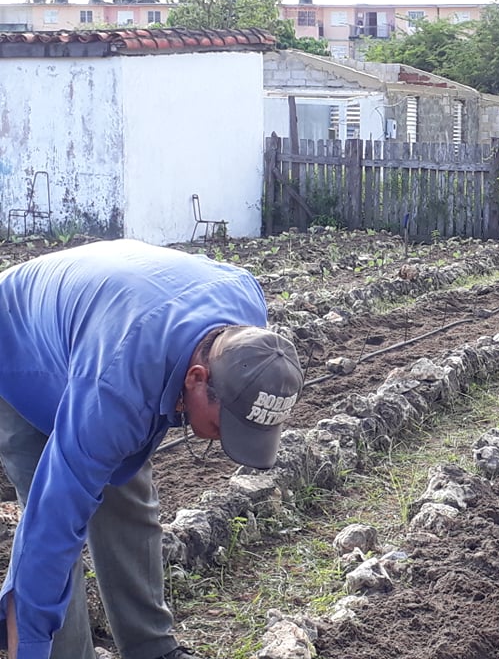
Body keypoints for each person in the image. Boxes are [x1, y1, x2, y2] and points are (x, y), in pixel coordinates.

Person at [0, 239, 305, 659]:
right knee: (53, 513)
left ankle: (152, 650)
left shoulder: (248, 315)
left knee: (126, 489)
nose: (220, 440)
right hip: (19, 341)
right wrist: (29, 648)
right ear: (197, 378)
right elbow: (49, 530)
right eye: (222, 425)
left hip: (109, 327)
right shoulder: (115, 391)